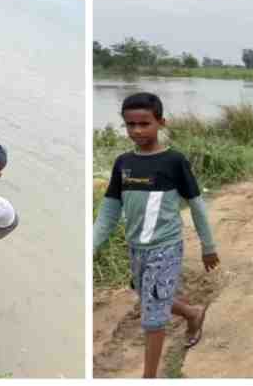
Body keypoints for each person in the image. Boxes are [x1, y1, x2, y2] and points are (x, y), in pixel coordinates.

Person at [92, 92, 219, 378]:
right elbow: (110, 211)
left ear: (161, 122)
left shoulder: (174, 161)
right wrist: (90, 247)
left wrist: (208, 246)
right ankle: (192, 313)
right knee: (147, 295)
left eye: (144, 123)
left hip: (166, 247)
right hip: (136, 247)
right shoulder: (123, 163)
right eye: (130, 125)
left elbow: (197, 205)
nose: (137, 130)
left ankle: (149, 377)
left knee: (153, 318)